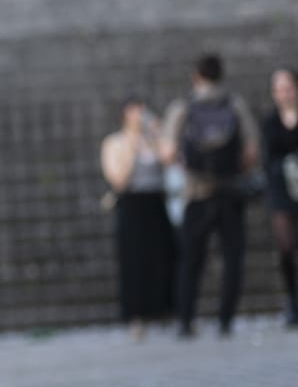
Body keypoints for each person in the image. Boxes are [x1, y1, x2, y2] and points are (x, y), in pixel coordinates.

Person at [160, 53, 260, 337]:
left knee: (191, 260)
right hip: (230, 190)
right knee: (232, 259)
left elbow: (167, 153)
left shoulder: (183, 106)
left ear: (196, 76)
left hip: (196, 192)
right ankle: (225, 320)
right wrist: (235, 168)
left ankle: (186, 320)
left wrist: (185, 165)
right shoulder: (235, 104)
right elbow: (252, 151)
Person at [99, 98, 175, 336]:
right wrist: (133, 143)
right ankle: (135, 315)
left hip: (156, 203)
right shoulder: (115, 142)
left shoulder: (152, 140)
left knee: (163, 257)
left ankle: (164, 309)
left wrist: (159, 134)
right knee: (133, 260)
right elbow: (119, 180)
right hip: (131, 205)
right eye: (135, 112)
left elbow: (170, 159)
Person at [261, 64, 298, 327]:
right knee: (286, 246)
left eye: (287, 88)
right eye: (279, 89)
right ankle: (292, 301)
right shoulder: (270, 121)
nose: (283, 94)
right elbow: (266, 157)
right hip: (281, 189)